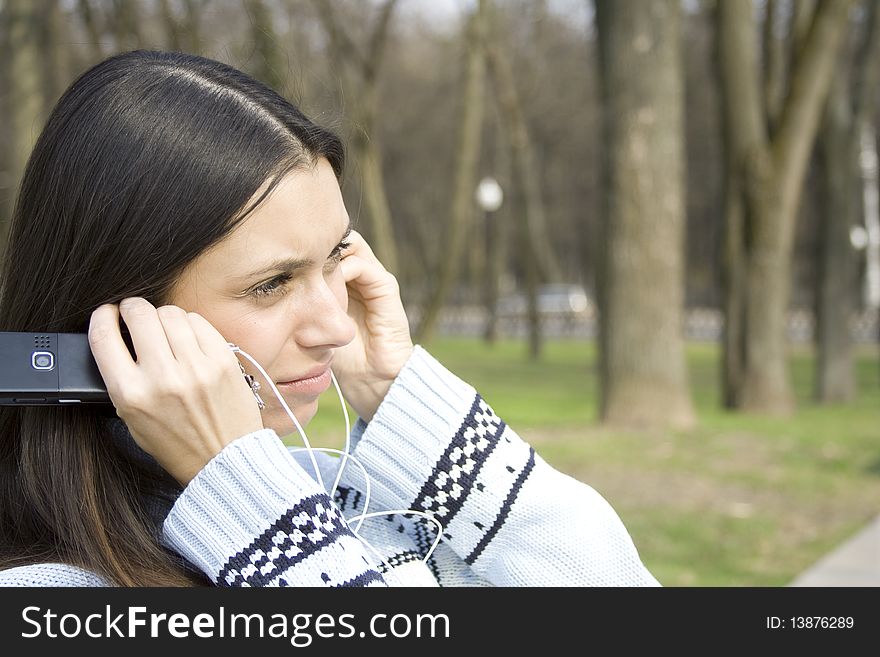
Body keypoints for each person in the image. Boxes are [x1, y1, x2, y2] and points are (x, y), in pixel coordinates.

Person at [0, 50, 659, 587]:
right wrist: (249, 501)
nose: (338, 326)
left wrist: (408, 408)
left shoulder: (362, 502)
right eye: (272, 283)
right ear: (114, 328)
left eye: (338, 257)